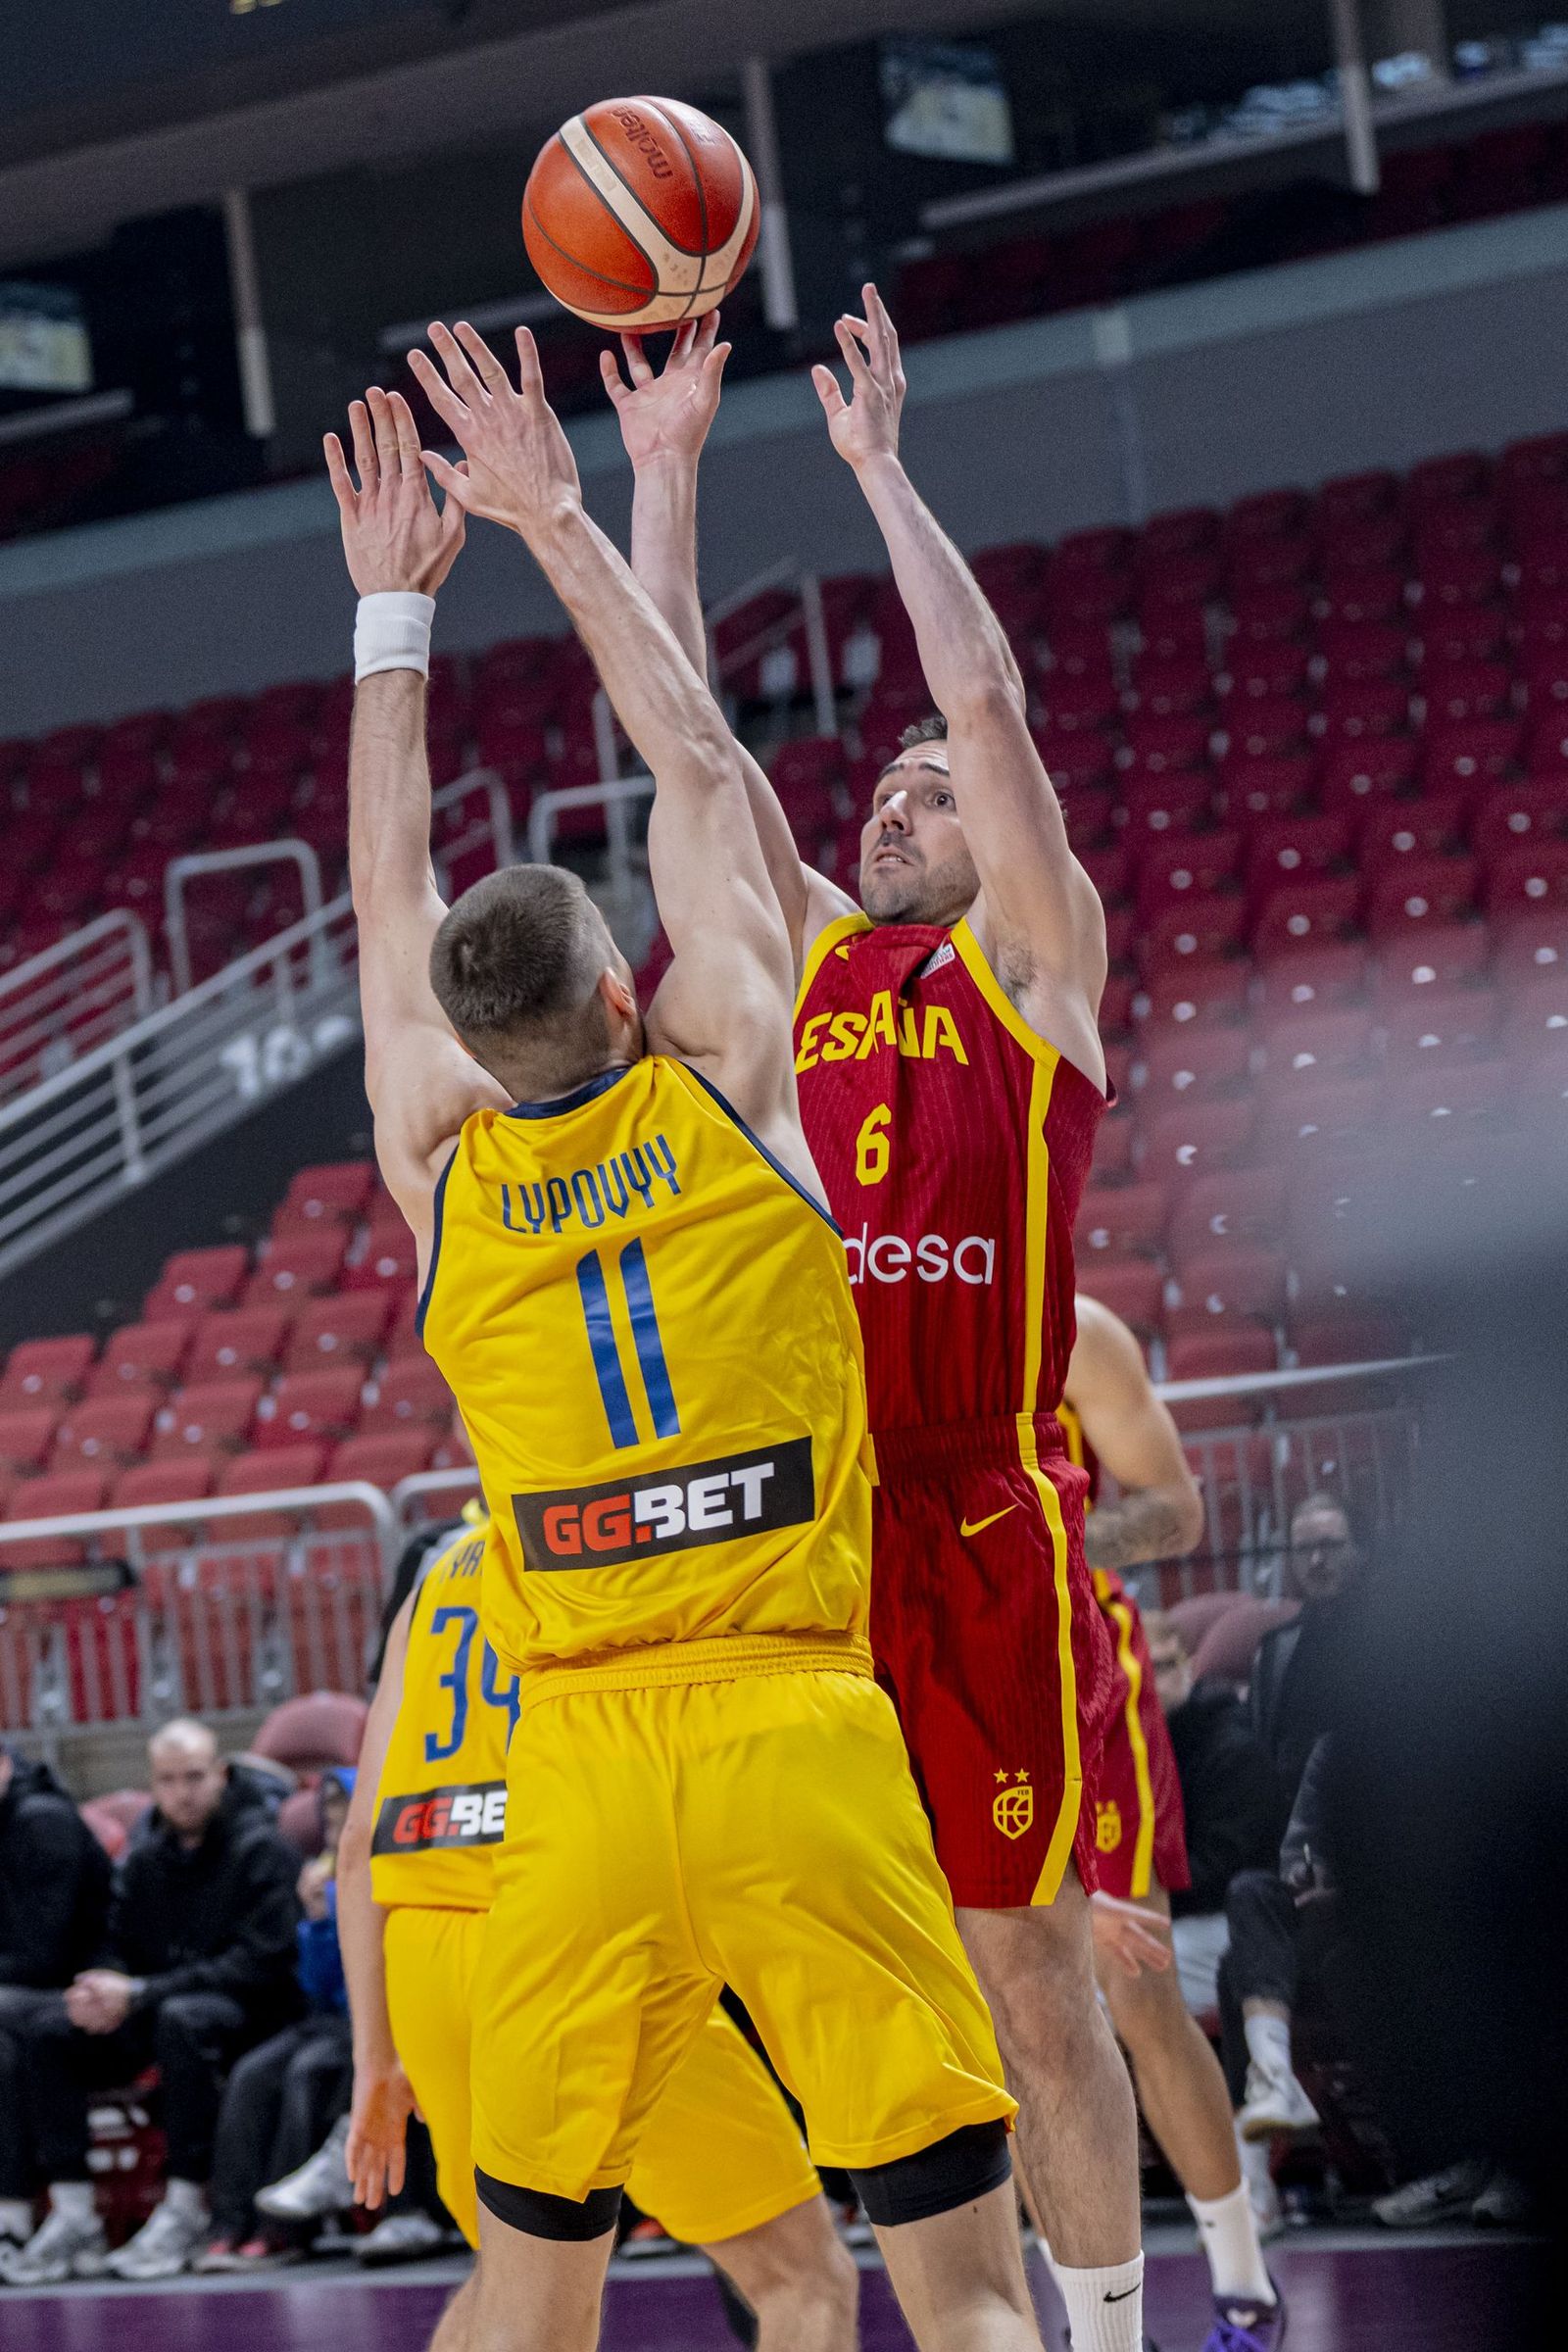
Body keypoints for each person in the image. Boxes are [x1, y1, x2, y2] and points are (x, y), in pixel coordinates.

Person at [327, 336, 1039, 2352]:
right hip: (788, 1732)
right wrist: (553, 519)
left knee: (525, 2289)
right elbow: (703, 773)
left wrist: (390, 614)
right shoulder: (737, 1094)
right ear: (628, 1006)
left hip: (575, 1783)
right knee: (958, 2290)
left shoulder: (436, 1162)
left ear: (471, 1058)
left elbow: (384, 893)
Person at [604, 297, 1146, 2347]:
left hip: (983, 1513)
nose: (900, 800)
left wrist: (870, 470)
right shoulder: (807, 968)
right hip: (812, 1529)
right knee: (835, 1969)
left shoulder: (1032, 982)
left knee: (1032, 1963)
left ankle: (1102, 2326)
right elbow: (686, 742)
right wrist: (659, 479)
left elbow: (989, 705)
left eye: (926, 792)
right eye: (888, 789)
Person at [337, 1509, 859, 2352]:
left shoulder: (433, 1579)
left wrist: (375, 2058)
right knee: (804, 2277)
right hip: (569, 1932)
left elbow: (359, 1841)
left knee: (515, 2287)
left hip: (427, 1960)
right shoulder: (628, 1536)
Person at [1058, 1296, 1283, 2350]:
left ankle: (1243, 2286)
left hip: (1080, 1669)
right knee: (1026, 2029)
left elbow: (1175, 1512)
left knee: (1139, 1998)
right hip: (943, 1677)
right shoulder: (872, 1303)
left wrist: (1039, 1536)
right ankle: (1099, 2325)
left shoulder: (1076, 1327)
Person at [1, 1718, 303, 2284]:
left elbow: (259, 1965)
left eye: (193, 1777)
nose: (182, 1792)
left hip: (251, 2012)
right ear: (153, 1783)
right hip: (161, 2003)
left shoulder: (262, 1848)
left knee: (179, 2022)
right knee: (50, 2029)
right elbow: (116, 1941)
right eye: (167, 1780)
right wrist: (102, 1986)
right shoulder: (146, 1857)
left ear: (220, 1776)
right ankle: (74, 2216)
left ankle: (187, 2206)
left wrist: (140, 1992)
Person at [198, 1770, 358, 2270]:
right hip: (329, 2016)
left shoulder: (390, 1875)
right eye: (328, 1828)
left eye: (344, 1826)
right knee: (252, 2073)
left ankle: (284, 2231)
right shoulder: (318, 1879)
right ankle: (231, 2221)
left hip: (372, 2020)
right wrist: (316, 1922)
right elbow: (317, 1986)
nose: (335, 1839)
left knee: (305, 2071)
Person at [0, 1743, 113, 2265]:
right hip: (27, 1996)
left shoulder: (41, 1821)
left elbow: (44, 1953)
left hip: (90, 1989)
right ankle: (12, 2216)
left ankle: (18, 2214)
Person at [1143, 1619, 1275, 2021]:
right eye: (1134, 1667)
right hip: (1170, 1911)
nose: (1148, 1682)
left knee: (1115, 1981)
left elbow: (1218, 1873)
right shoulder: (1135, 1743)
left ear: (1189, 1664)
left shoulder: (1230, 1747)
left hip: (1235, 1922)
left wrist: (1136, 1894)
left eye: (1162, 1667)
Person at [1220, 1738, 1343, 2146]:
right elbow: (1299, 1843)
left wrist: (1347, 1887)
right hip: (1327, 1920)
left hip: (1394, 1919)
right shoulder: (1335, 1748)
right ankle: (1272, 2079)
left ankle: (1253, 2192)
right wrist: (1304, 1872)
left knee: (1234, 1968)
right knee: (1250, 1892)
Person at [1249, 1493, 1363, 1846]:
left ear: (1357, 1549)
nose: (1316, 1561)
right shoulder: (1275, 1649)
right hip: (1288, 1827)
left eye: (1330, 1546)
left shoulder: (1391, 1637)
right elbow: (1261, 1752)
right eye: (1303, 1549)